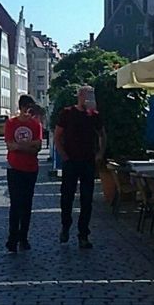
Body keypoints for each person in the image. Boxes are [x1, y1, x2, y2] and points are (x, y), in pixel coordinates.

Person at [54, 85, 105, 249]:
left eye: (91, 95)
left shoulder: (94, 115)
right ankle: (66, 225)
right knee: (67, 196)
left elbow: (102, 134)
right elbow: (57, 136)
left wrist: (100, 154)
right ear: (79, 96)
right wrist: (64, 155)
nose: (88, 98)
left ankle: (83, 234)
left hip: (88, 161)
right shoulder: (67, 113)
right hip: (71, 161)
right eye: (86, 95)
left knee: (87, 199)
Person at [4, 94, 44, 252]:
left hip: (31, 168)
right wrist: (28, 146)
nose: (28, 112)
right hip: (14, 167)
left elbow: (38, 146)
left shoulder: (36, 125)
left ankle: (24, 238)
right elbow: (10, 145)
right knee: (15, 204)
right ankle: (12, 238)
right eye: (26, 108)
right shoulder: (11, 123)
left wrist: (20, 146)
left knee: (27, 205)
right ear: (20, 108)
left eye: (31, 109)